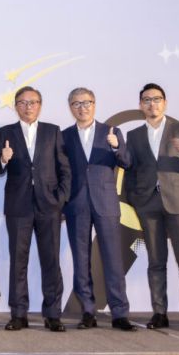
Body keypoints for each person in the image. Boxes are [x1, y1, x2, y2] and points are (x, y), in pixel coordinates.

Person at [123, 83, 179, 333]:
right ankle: (160, 312)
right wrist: (136, 200)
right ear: (141, 105)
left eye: (156, 99)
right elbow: (131, 171)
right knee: (156, 261)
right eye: (147, 100)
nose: (152, 104)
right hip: (148, 204)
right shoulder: (134, 135)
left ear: (165, 102)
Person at [0, 86, 70, 332]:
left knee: (51, 260)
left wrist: (60, 199)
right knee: (18, 261)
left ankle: (53, 314)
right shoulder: (5, 132)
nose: (28, 107)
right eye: (23, 103)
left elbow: (64, 168)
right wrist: (3, 158)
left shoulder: (52, 131)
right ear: (16, 106)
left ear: (40, 105)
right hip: (19, 205)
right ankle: (18, 314)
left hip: (49, 205)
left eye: (33, 102)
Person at [62, 87, 135, 331]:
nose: (82, 107)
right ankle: (87, 311)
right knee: (81, 260)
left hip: (106, 202)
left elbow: (127, 162)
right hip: (76, 204)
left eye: (86, 102)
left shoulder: (111, 131)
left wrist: (116, 147)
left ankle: (120, 313)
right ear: (70, 107)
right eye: (76, 104)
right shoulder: (64, 136)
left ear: (94, 104)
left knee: (113, 259)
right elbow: (62, 171)